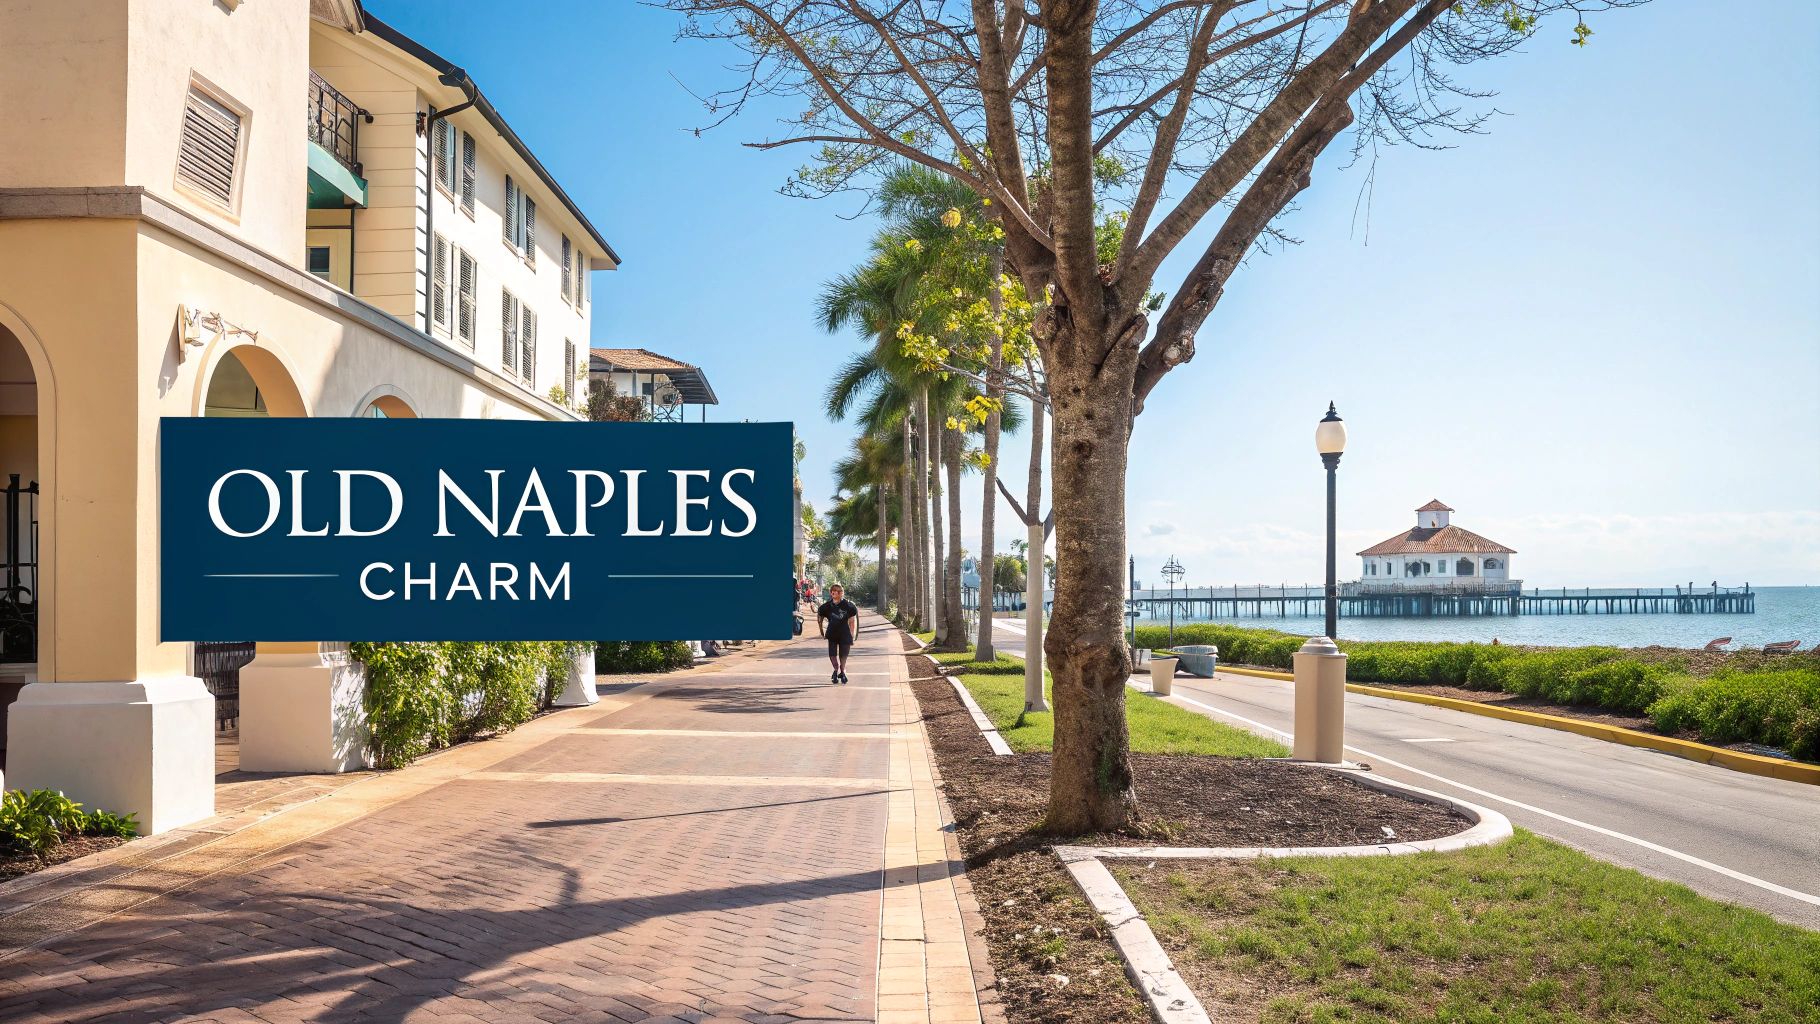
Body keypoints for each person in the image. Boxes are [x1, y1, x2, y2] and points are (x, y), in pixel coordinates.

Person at [817, 583, 860, 684]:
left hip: (845, 633)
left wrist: (852, 635)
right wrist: (821, 631)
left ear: (841, 593)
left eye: (836, 591)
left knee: (843, 654)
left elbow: (852, 621)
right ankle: (835, 670)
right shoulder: (826, 606)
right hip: (832, 633)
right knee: (832, 654)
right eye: (832, 591)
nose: (834, 592)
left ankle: (843, 671)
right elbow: (820, 618)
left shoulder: (848, 606)